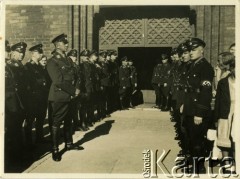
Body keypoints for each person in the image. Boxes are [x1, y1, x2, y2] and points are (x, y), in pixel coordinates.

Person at [47, 34, 81, 161]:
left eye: (66, 43)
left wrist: (76, 89)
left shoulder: (68, 60)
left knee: (69, 120)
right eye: (64, 43)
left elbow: (76, 75)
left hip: (71, 96)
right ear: (57, 45)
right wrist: (74, 90)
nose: (67, 45)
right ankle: (55, 150)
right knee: (57, 122)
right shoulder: (52, 62)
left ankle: (69, 144)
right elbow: (58, 81)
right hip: (59, 96)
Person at [183, 38, 214, 174]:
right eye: (190, 50)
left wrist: (200, 113)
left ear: (202, 50)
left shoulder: (205, 67)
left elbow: (205, 92)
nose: (191, 53)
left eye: (194, 50)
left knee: (197, 142)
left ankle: (199, 169)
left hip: (197, 110)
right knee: (191, 139)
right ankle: (193, 166)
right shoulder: (193, 66)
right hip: (190, 108)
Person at [5, 42, 28, 162]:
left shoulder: (19, 65)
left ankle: (18, 152)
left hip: (19, 101)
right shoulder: (10, 65)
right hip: (11, 103)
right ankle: (15, 155)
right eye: (19, 52)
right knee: (13, 129)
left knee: (18, 128)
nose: (22, 55)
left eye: (23, 53)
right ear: (12, 53)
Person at [24, 44, 50, 148]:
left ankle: (40, 138)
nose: (41, 54)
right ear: (34, 54)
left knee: (40, 118)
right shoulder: (28, 67)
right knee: (30, 121)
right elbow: (28, 83)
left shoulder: (40, 67)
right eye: (40, 53)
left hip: (41, 98)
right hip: (32, 98)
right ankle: (29, 142)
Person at [214, 55, 236, 174]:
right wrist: (216, 118)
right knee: (224, 137)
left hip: (237, 111)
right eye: (234, 68)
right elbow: (218, 101)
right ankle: (227, 164)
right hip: (226, 111)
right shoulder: (224, 82)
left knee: (235, 139)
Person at [67, 49, 82, 132]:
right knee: (70, 110)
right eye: (73, 56)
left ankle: (76, 125)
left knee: (75, 109)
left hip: (77, 89)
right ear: (69, 57)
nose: (75, 58)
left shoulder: (76, 66)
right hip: (72, 91)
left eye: (75, 56)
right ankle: (70, 128)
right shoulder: (69, 66)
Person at [78, 49, 90, 131]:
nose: (87, 58)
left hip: (88, 88)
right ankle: (81, 123)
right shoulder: (80, 66)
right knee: (81, 107)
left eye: (87, 56)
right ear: (81, 57)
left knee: (85, 106)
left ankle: (84, 122)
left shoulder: (88, 66)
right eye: (85, 56)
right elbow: (80, 80)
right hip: (83, 89)